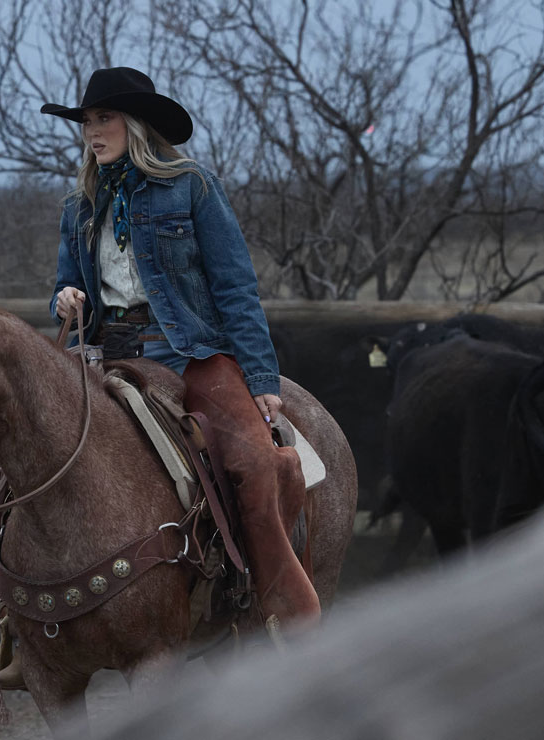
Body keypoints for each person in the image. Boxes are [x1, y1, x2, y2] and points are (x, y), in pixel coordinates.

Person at [42, 67, 321, 638]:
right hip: (105, 351)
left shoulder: (191, 185)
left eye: (104, 118)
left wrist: (261, 376)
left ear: (135, 124)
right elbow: (67, 283)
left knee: (250, 460)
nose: (92, 132)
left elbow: (235, 286)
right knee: (16, 452)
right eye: (87, 122)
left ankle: (275, 604)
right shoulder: (80, 205)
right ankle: (22, 621)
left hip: (187, 351)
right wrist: (64, 296)